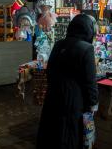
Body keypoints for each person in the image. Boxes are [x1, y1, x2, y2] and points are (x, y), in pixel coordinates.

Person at [37, 14, 98, 149]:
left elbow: (50, 71)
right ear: (88, 30)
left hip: (53, 98)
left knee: (52, 136)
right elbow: (90, 82)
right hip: (73, 102)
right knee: (69, 137)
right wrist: (93, 105)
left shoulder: (59, 44)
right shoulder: (86, 48)